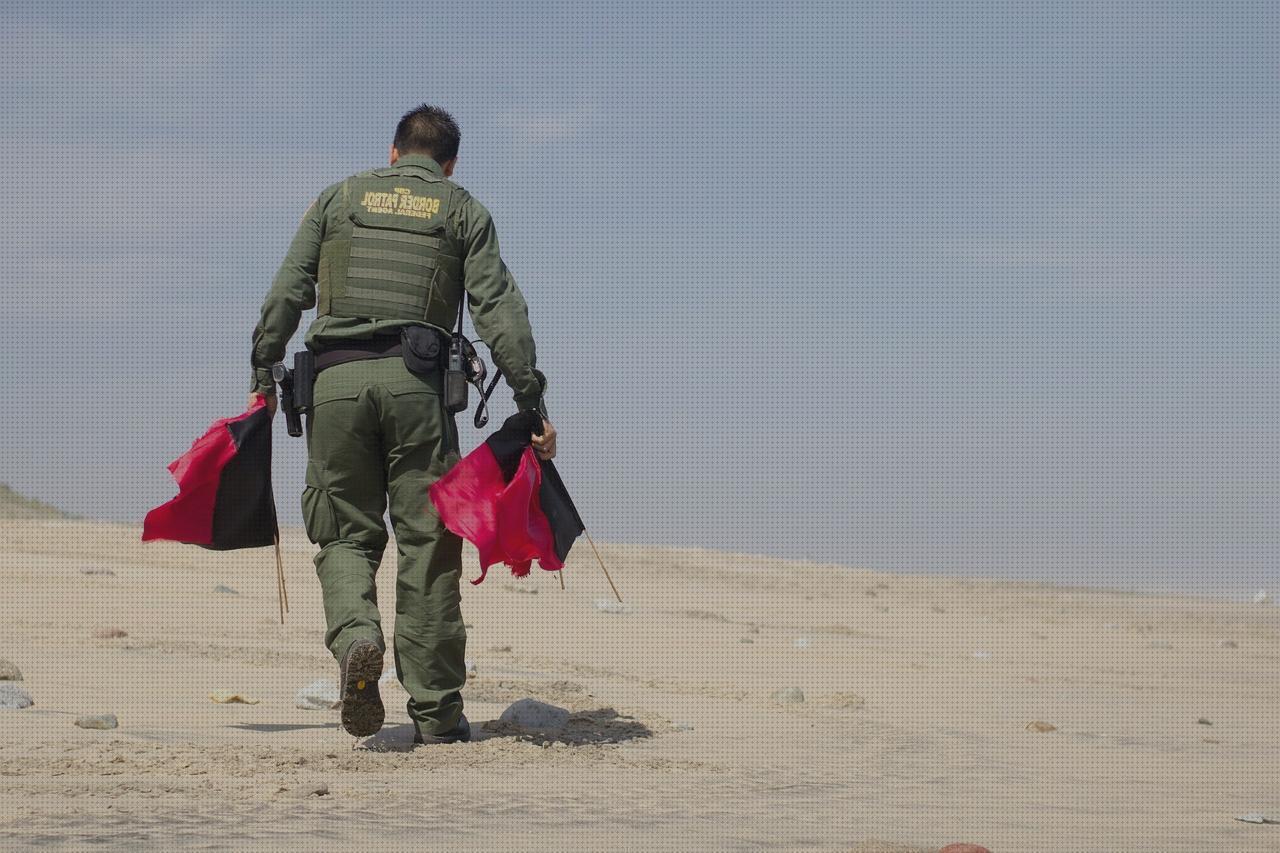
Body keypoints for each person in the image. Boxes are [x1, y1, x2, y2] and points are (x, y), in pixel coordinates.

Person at [248, 104, 556, 744]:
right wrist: (532, 403)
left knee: (343, 535)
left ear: (393, 153)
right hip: (417, 388)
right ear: (448, 163)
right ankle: (437, 715)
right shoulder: (462, 208)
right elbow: (500, 308)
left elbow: (286, 290)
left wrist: (263, 374)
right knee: (428, 546)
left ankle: (359, 639)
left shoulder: (338, 198)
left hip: (332, 385)